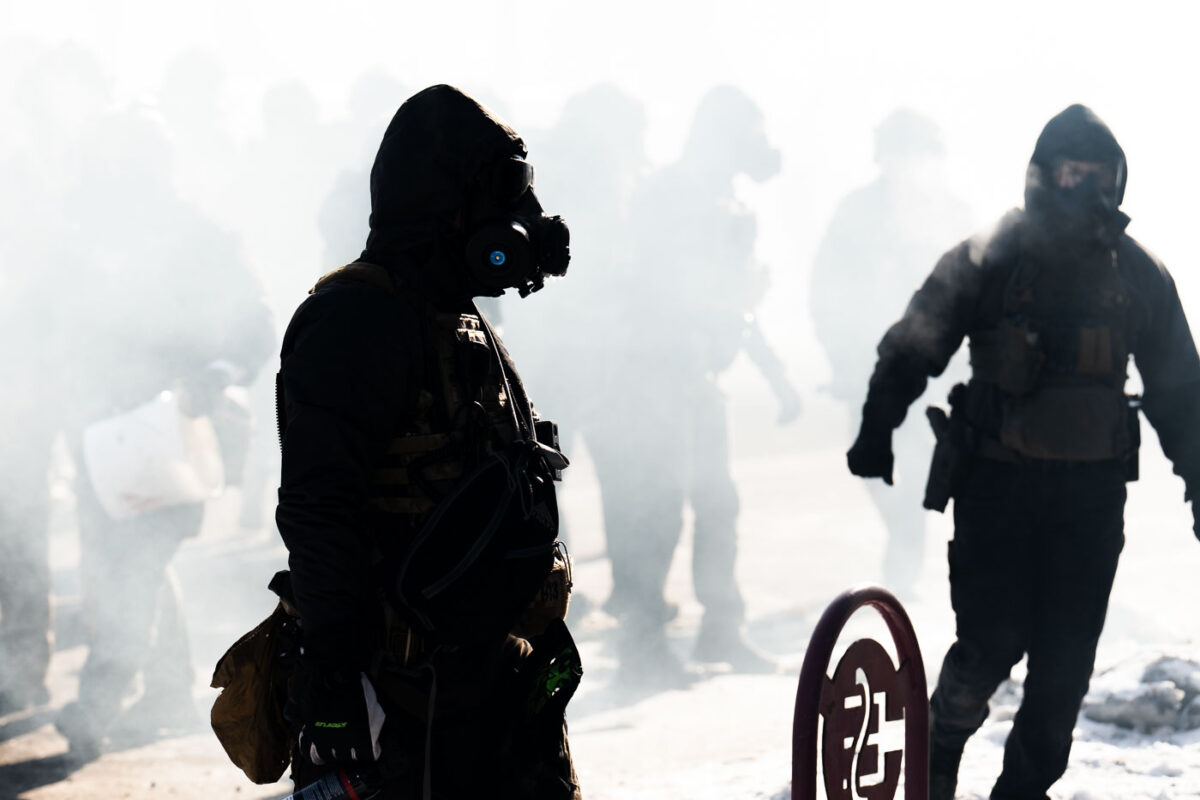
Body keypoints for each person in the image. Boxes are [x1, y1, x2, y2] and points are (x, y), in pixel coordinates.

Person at [847, 104, 1200, 799]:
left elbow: (1182, 395)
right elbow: (917, 341)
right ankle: (939, 743)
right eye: (1073, 174)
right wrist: (877, 425)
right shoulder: (990, 257)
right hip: (997, 492)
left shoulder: (1137, 274)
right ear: (1042, 177)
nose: (1087, 191)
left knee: (1064, 674)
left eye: (1101, 177)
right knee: (988, 648)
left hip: (1091, 502)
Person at [275, 85, 581, 799]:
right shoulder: (356, 321)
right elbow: (320, 511)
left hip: (496, 676)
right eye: (502, 195)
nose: (520, 222)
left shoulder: (449, 314)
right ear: (444, 205)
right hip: (411, 696)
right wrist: (330, 685)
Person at [53, 106, 275, 761]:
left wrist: (210, 377)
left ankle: (97, 703)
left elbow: (256, 324)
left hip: (173, 433)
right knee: (119, 565)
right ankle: (167, 694)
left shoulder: (198, 237)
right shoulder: (86, 232)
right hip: (99, 438)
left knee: (136, 566)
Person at [605, 85, 799, 687]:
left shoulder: (723, 202)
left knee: (718, 504)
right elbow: (656, 289)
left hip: (697, 377)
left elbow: (738, 305)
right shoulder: (669, 196)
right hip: (654, 374)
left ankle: (723, 627)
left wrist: (777, 376)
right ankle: (642, 648)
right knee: (656, 510)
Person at [811, 109, 973, 598]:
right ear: (883, 157)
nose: (908, 165)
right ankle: (902, 559)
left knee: (923, 481)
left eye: (918, 153)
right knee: (875, 471)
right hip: (869, 372)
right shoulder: (856, 213)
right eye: (899, 152)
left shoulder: (955, 214)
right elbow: (826, 291)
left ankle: (901, 580)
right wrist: (842, 357)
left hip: (939, 380)